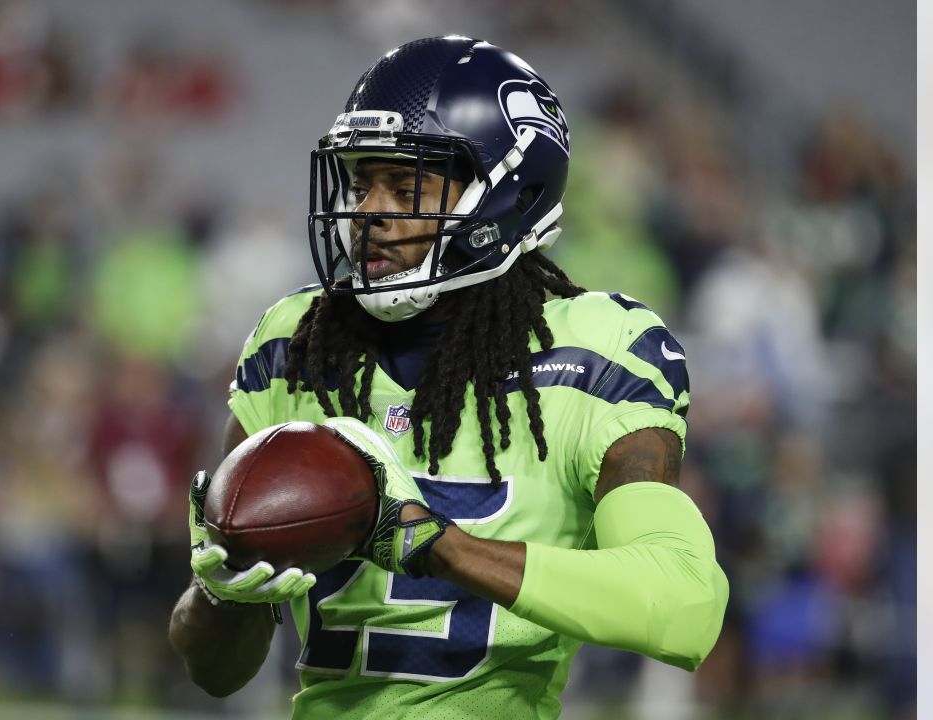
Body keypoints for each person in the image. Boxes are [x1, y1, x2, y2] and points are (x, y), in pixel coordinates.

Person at [169, 36, 728, 719]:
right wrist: (225, 591)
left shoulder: (597, 351)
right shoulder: (297, 345)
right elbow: (214, 671)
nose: (369, 213)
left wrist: (441, 546)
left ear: (508, 194)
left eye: (405, 186)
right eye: (361, 181)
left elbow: (683, 606)